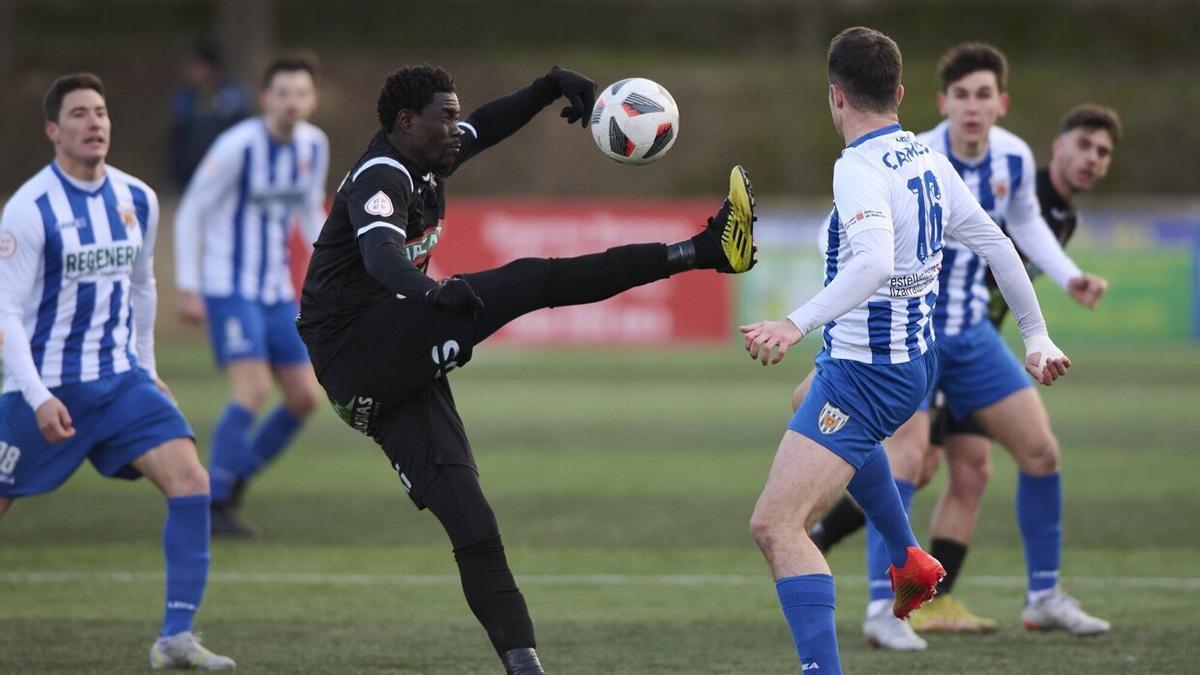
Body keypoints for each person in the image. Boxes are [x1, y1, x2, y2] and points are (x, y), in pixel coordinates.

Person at [295, 64, 756, 675]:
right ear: (407, 122)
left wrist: (547, 88)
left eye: (456, 113)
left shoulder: (430, 155)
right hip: (357, 349)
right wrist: (435, 295)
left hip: (387, 371)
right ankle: (704, 251)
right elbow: (380, 257)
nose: (458, 126)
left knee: (475, 524)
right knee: (531, 279)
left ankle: (523, 665)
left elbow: (488, 124)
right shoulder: (384, 173)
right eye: (445, 115)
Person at [741, 28, 1068, 674]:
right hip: (912, 364)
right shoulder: (927, 156)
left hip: (868, 376)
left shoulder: (857, 170)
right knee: (804, 395)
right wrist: (1037, 335)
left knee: (776, 526)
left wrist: (792, 322)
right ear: (899, 93)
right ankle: (908, 554)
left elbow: (871, 263)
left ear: (836, 97)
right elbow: (1001, 247)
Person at [803, 44, 1112, 650]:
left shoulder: (1014, 159)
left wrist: (1061, 289)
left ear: (1003, 102)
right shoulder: (915, 154)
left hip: (972, 334)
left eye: (985, 94)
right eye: (962, 95)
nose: (974, 106)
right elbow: (844, 234)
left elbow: (1017, 234)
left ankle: (1043, 595)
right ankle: (881, 607)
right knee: (909, 460)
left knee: (1038, 451)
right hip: (909, 334)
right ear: (938, 102)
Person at [0, 73, 234, 670]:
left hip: (121, 379)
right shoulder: (29, 210)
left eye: (100, 111)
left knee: (192, 481)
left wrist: (147, 368)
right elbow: (5, 313)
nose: (94, 122)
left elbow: (142, 286)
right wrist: (34, 395)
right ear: (54, 130)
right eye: (78, 114)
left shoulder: (137, 198)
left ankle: (176, 637)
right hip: (45, 386)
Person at [174, 53, 328, 536]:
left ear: (312, 99)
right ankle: (212, 503)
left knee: (305, 397)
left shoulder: (313, 145)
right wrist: (188, 285)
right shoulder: (237, 146)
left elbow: (308, 210)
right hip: (229, 288)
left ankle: (232, 477)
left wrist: (335, 270)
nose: (291, 103)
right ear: (266, 99)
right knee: (254, 388)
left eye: (300, 94)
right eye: (282, 93)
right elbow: (193, 210)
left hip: (275, 291)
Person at [167, 41, 253, 191]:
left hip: (227, 173)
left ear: (211, 68)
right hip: (189, 175)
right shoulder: (185, 97)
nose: (191, 71)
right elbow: (177, 138)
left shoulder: (234, 97)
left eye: (196, 66)